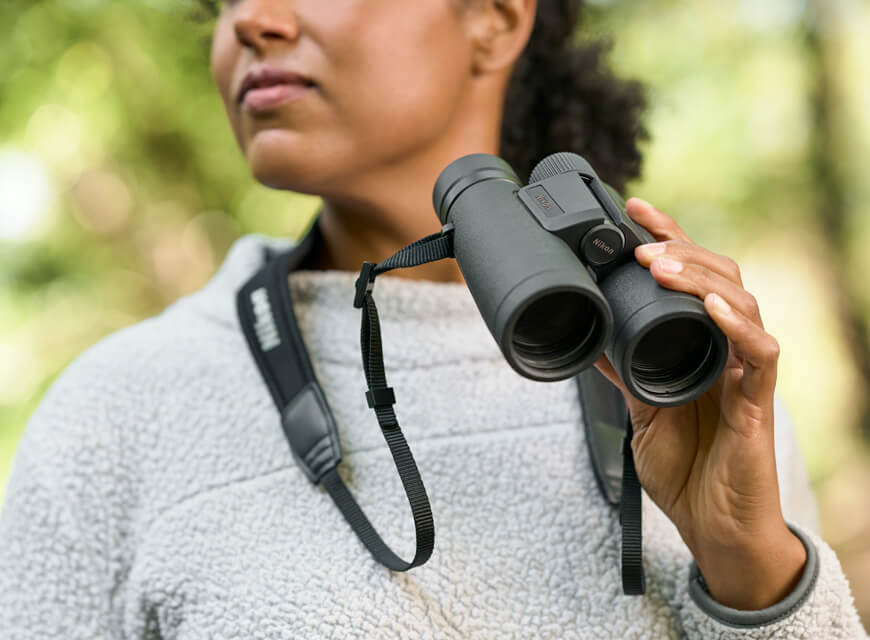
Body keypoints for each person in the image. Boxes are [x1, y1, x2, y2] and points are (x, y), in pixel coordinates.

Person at [0, 0, 866, 637]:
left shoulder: (677, 363)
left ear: (494, 17)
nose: (251, 21)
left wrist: (752, 569)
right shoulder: (120, 410)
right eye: (225, 1)